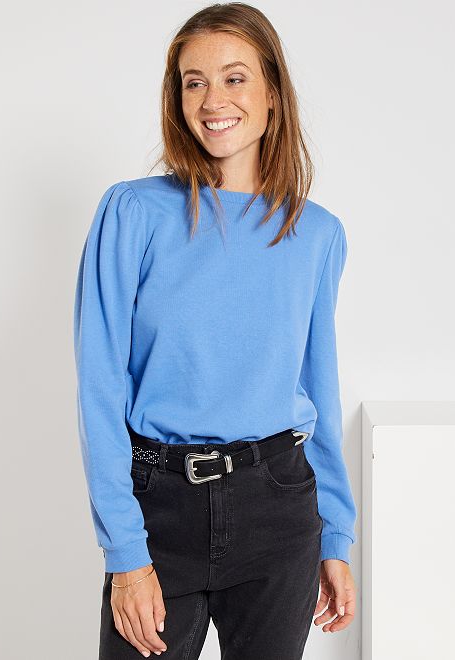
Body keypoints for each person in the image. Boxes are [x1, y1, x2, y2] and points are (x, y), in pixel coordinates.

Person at [73, 3, 357, 659]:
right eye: (192, 81)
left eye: (234, 78)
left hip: (278, 505)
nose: (211, 100)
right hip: (159, 506)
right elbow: (98, 386)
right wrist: (125, 552)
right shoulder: (133, 212)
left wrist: (336, 536)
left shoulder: (317, 234)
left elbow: (318, 387)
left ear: (272, 94)